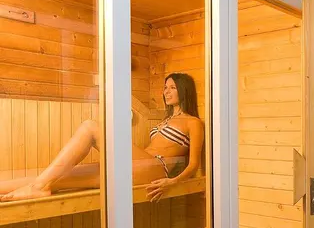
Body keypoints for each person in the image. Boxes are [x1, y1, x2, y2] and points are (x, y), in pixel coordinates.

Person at [0, 73, 204, 202]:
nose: (166, 91)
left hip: (157, 169)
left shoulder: (193, 122)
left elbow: (193, 164)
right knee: (55, 177)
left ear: (184, 90)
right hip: (138, 167)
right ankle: (34, 187)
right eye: (165, 87)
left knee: (90, 127)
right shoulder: (165, 120)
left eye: (172, 87)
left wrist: (172, 182)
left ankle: (38, 187)